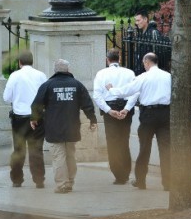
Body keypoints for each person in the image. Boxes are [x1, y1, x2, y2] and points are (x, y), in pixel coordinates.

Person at [31, 59, 98, 194]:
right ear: (68, 70)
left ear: (55, 70)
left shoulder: (48, 85)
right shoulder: (77, 85)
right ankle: (70, 181)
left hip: (54, 127)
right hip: (72, 126)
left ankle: (62, 184)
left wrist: (34, 118)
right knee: (70, 155)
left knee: (58, 156)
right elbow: (87, 104)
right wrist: (92, 119)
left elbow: (37, 104)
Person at [106, 52, 171, 191]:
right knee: (166, 150)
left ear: (147, 62)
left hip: (148, 115)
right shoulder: (168, 76)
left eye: (144, 63)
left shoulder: (143, 77)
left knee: (144, 149)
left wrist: (112, 90)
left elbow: (127, 91)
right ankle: (168, 183)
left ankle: (141, 181)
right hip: (166, 114)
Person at [2, 50, 48, 188]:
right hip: (37, 117)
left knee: (18, 150)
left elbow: (6, 98)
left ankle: (17, 179)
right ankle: (39, 180)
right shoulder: (41, 75)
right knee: (36, 150)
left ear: (19, 62)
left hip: (19, 118)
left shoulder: (14, 76)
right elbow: (46, 95)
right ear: (32, 61)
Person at [92, 48, 137, 185]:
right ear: (120, 59)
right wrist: (126, 109)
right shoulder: (129, 73)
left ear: (107, 60)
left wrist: (108, 110)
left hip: (109, 108)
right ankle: (126, 172)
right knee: (124, 140)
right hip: (125, 108)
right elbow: (135, 92)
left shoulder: (101, 74)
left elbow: (97, 95)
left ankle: (118, 174)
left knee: (112, 142)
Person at [133, 9, 161, 75]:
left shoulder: (153, 32)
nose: (136, 23)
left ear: (145, 19)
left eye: (138, 20)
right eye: (136, 20)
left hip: (149, 72)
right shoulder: (140, 33)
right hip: (140, 71)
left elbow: (157, 54)